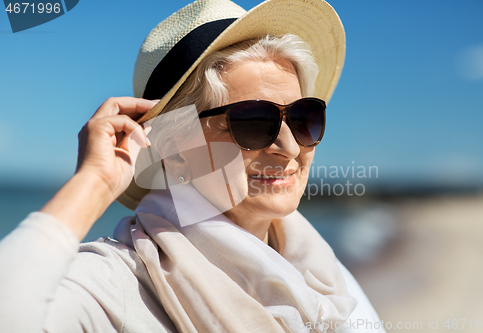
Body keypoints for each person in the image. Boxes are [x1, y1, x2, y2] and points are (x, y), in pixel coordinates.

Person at [0, 0, 385, 332]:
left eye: (303, 118)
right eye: (253, 122)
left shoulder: (325, 279)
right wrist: (94, 184)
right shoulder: (121, 283)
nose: (288, 147)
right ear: (176, 146)